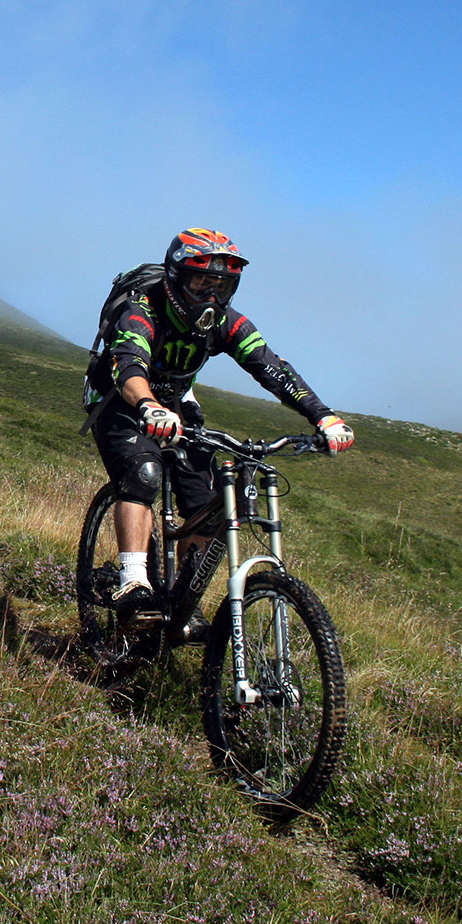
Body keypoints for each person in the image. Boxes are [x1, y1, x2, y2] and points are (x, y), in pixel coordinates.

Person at [82, 228, 354, 635]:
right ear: (176, 278)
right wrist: (148, 405)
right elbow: (129, 365)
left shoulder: (225, 322)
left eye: (222, 284)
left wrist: (324, 417)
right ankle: (133, 582)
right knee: (143, 474)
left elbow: (270, 367)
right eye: (201, 282)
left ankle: (181, 599)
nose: (211, 294)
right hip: (119, 399)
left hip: (175, 403)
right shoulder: (142, 309)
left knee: (208, 503)